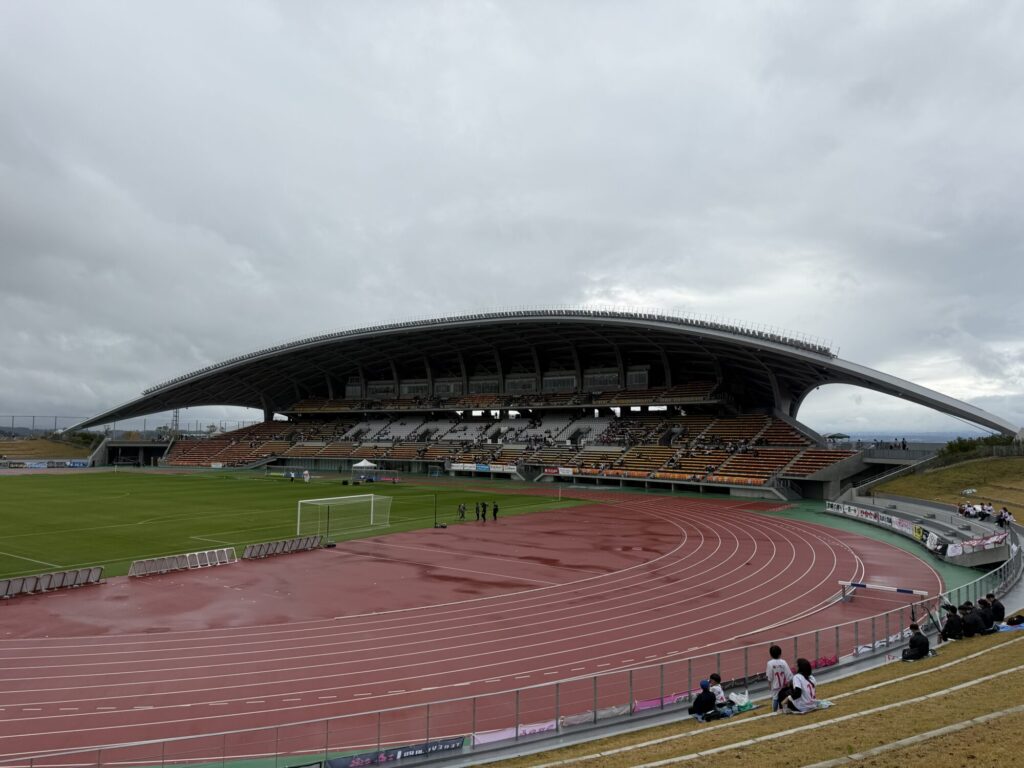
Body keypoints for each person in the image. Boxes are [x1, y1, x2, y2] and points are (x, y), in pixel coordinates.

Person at [766, 645, 793, 712]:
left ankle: (774, 711)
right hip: (783, 685)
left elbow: (769, 676)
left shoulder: (770, 663)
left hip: (775, 686)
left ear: (771, 654)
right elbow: (789, 674)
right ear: (780, 653)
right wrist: (789, 682)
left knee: (775, 698)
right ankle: (782, 708)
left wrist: (769, 684)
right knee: (783, 697)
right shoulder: (783, 662)